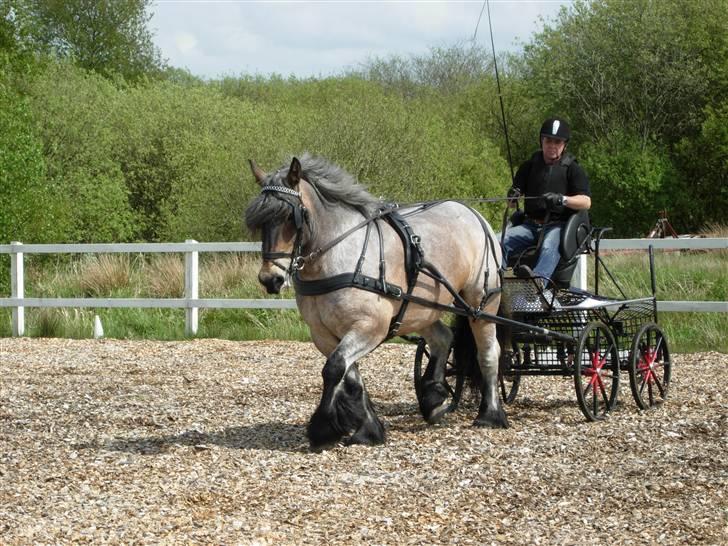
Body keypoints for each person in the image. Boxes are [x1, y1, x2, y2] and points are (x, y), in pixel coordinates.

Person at [502, 117, 591, 287]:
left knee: (549, 247)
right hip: (529, 226)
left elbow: (586, 202)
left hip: (558, 226)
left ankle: (537, 287)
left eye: (557, 142)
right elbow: (511, 204)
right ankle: (494, 285)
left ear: (564, 145)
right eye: (548, 140)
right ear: (541, 141)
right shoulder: (528, 167)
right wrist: (512, 196)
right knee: (498, 241)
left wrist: (562, 199)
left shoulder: (573, 169)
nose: (552, 145)